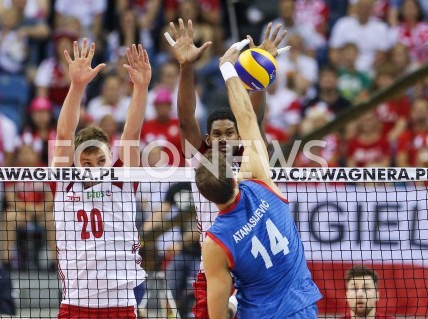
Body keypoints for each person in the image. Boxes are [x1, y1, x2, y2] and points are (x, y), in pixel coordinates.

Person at [165, 18, 287, 318]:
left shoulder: (250, 156)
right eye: (216, 134)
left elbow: (253, 117)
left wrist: (262, 67)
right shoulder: (201, 158)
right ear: (208, 138)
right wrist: (186, 67)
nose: (222, 139)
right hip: (217, 264)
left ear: (238, 136)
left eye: (229, 132)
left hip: (254, 268)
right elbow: (185, 119)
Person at [195, 40, 322, 319]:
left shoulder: (215, 242)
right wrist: (227, 69)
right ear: (234, 176)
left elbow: (216, 315)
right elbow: (248, 117)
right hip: (301, 309)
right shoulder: (259, 182)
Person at [51, 38, 150, 318]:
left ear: (110, 159)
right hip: (74, 304)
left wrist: (141, 88)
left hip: (121, 306)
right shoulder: (63, 183)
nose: (94, 168)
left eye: (100, 161)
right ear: (75, 162)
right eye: (86, 163)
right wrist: (77, 86)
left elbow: (131, 134)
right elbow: (64, 135)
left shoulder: (122, 181)